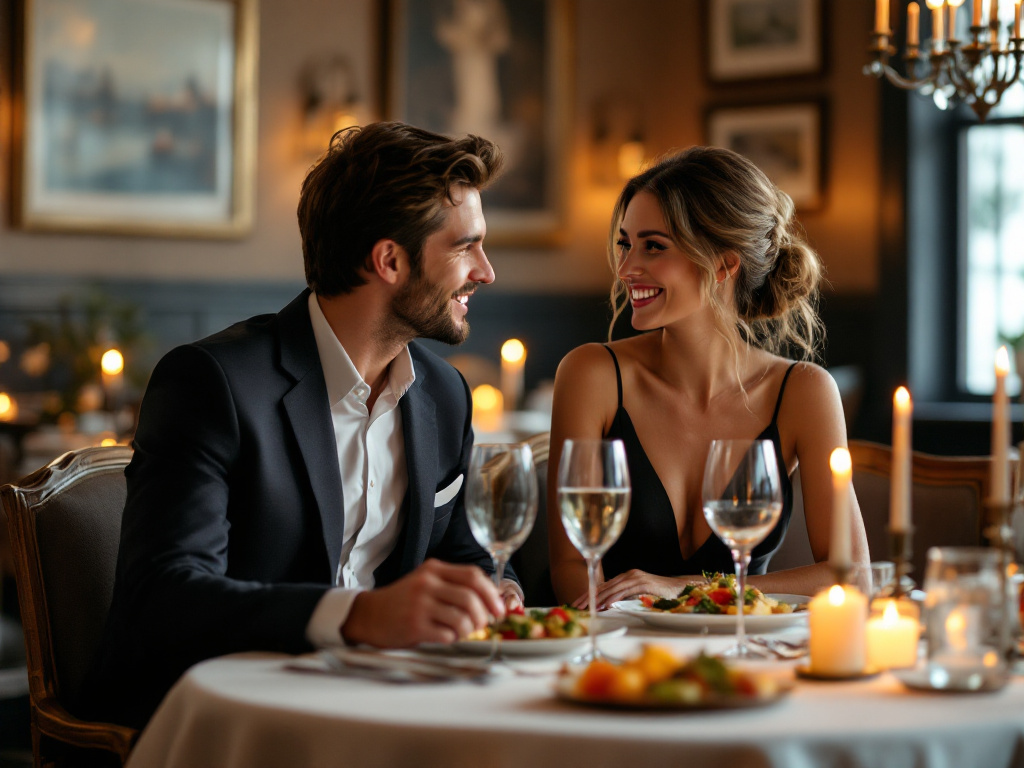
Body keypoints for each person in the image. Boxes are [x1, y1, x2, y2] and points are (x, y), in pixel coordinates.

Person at [86, 122, 521, 728]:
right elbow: (166, 596)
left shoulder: (444, 394)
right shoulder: (213, 383)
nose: (486, 271)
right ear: (389, 259)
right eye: (465, 246)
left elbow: (465, 554)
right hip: (223, 717)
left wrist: (498, 594)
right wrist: (357, 616)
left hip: (391, 703)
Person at [547, 145, 870, 608]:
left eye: (653, 246)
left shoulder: (803, 392)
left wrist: (682, 590)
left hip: (746, 653)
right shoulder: (591, 374)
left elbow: (852, 576)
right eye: (625, 244)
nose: (626, 269)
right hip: (618, 653)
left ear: (723, 264)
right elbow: (571, 566)